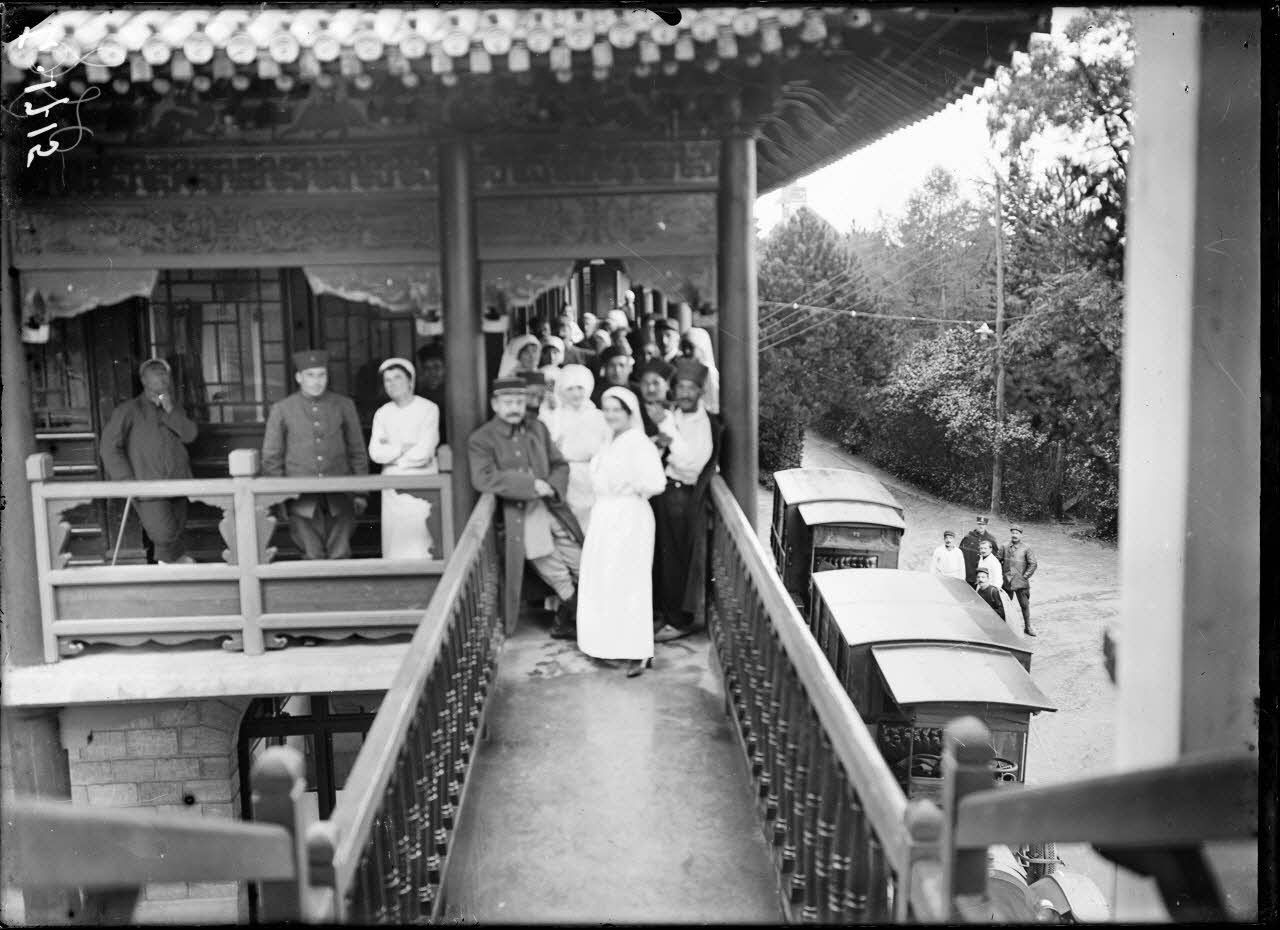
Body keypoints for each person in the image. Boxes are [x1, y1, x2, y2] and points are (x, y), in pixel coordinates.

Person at [468, 377, 584, 639]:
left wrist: (551, 486)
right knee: (553, 570)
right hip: (520, 515)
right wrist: (530, 485)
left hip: (552, 508)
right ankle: (584, 620)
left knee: (582, 563)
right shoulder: (482, 438)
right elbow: (484, 477)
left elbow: (560, 465)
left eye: (519, 402)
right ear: (495, 404)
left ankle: (571, 620)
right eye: (508, 402)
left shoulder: (537, 428)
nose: (514, 408)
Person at [575, 386, 669, 676]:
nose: (611, 415)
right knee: (604, 579)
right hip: (604, 515)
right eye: (607, 409)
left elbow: (656, 482)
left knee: (629, 581)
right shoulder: (608, 441)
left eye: (617, 410)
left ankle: (638, 651)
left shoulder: (638, 442)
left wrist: (631, 486)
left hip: (629, 516)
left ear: (629, 412)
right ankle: (607, 645)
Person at [262, 350, 369, 559]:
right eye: (310, 375)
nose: (317, 381)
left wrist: (360, 492)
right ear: (298, 377)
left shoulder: (344, 405)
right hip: (300, 496)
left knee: (341, 554)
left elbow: (357, 450)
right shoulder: (282, 409)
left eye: (322, 375)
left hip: (341, 494)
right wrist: (280, 496)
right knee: (311, 556)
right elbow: (271, 457)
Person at [650, 358, 723, 640]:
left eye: (691, 388)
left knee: (678, 560)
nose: (684, 393)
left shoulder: (704, 424)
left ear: (701, 392)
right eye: (680, 387)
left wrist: (668, 433)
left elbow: (691, 465)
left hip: (683, 497)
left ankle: (679, 621)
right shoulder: (676, 414)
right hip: (664, 491)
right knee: (663, 558)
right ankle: (664, 614)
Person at [100, 358, 198, 564]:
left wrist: (171, 410)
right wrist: (126, 480)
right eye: (156, 372)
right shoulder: (128, 410)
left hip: (178, 481)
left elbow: (190, 435)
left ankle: (173, 570)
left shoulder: (175, 408)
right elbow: (109, 447)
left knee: (176, 531)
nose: (162, 377)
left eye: (165, 373)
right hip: (148, 485)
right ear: (144, 380)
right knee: (163, 534)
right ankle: (176, 567)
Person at [368, 357, 440, 559]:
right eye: (387, 380)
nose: (392, 384)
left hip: (421, 481)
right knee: (395, 541)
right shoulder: (382, 413)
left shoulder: (428, 409)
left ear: (410, 381)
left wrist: (394, 458)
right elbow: (375, 453)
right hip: (392, 485)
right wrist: (403, 447)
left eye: (398, 378)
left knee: (421, 539)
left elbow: (424, 451)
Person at [545, 364, 612, 534]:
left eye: (580, 388)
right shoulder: (555, 416)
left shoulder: (599, 416)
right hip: (567, 477)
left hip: (594, 477)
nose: (576, 394)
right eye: (570, 389)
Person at [1001, 525, 1039, 636]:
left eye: (1017, 533)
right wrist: (1002, 575)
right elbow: (998, 560)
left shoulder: (1026, 548)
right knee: (1005, 605)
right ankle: (1006, 627)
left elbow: (1033, 564)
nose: (1014, 535)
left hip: (1021, 582)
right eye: (1013, 533)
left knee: (1024, 605)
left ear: (1021, 535)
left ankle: (1028, 627)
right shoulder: (1004, 546)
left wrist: (1025, 576)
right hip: (1007, 581)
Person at [679, 327, 720, 414]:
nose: (686, 351)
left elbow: (712, 404)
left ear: (702, 347)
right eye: (684, 347)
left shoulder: (709, 372)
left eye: (690, 347)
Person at [635, 357, 676, 437]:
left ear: (667, 385)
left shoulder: (678, 412)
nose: (651, 388)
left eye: (656, 383)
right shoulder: (634, 412)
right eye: (645, 383)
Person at [959, 515, 1002, 586]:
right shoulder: (968, 538)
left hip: (983, 577)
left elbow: (995, 557)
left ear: (986, 525)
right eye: (979, 524)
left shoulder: (991, 539)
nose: (981, 526)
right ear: (976, 524)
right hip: (968, 574)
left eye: (983, 524)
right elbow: (960, 554)